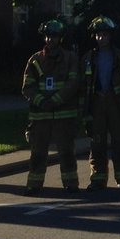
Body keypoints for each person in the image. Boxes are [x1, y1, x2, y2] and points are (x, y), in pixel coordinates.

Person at [22, 19, 80, 195]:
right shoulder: (35, 60)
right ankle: (34, 185)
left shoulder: (70, 58)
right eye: (47, 36)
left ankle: (71, 184)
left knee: (67, 151)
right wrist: (42, 101)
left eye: (53, 36)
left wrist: (55, 100)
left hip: (64, 115)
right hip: (40, 117)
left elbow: (73, 84)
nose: (50, 40)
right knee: (38, 153)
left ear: (60, 38)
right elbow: (27, 87)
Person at [80, 16, 120, 190]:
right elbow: (83, 84)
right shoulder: (88, 58)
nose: (101, 38)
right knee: (97, 141)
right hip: (97, 102)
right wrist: (84, 108)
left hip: (116, 102)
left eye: (104, 35)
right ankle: (98, 178)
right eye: (98, 35)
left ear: (111, 36)